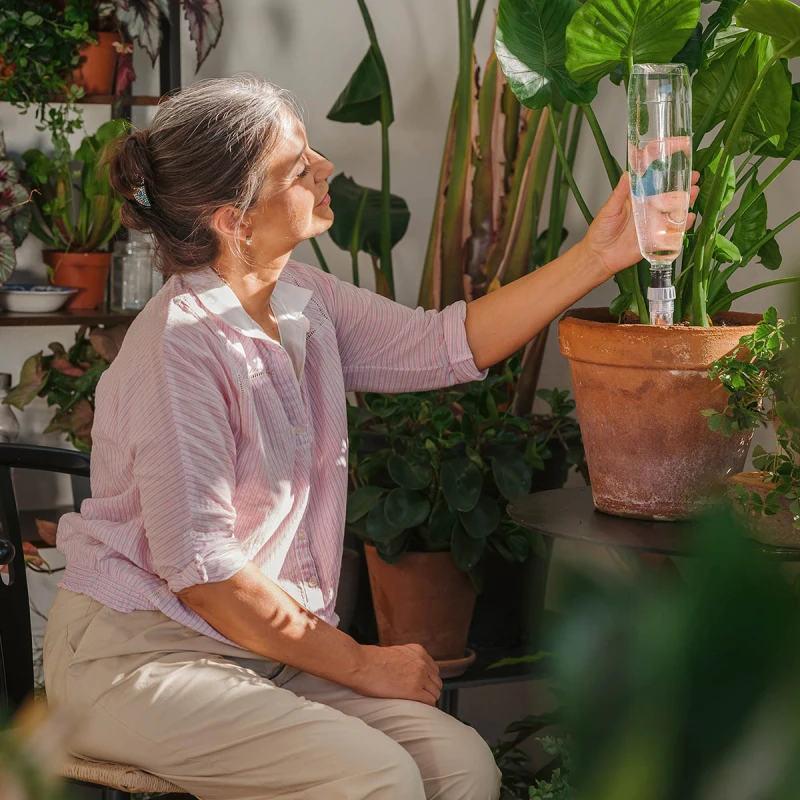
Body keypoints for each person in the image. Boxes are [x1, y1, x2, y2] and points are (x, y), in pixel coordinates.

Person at [43, 75, 699, 800]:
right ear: (237, 221)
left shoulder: (302, 300)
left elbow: (444, 343)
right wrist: (361, 662)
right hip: (138, 658)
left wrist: (602, 253)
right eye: (298, 169)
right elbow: (208, 581)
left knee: (461, 766)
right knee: (378, 778)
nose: (326, 169)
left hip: (250, 653)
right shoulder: (180, 352)